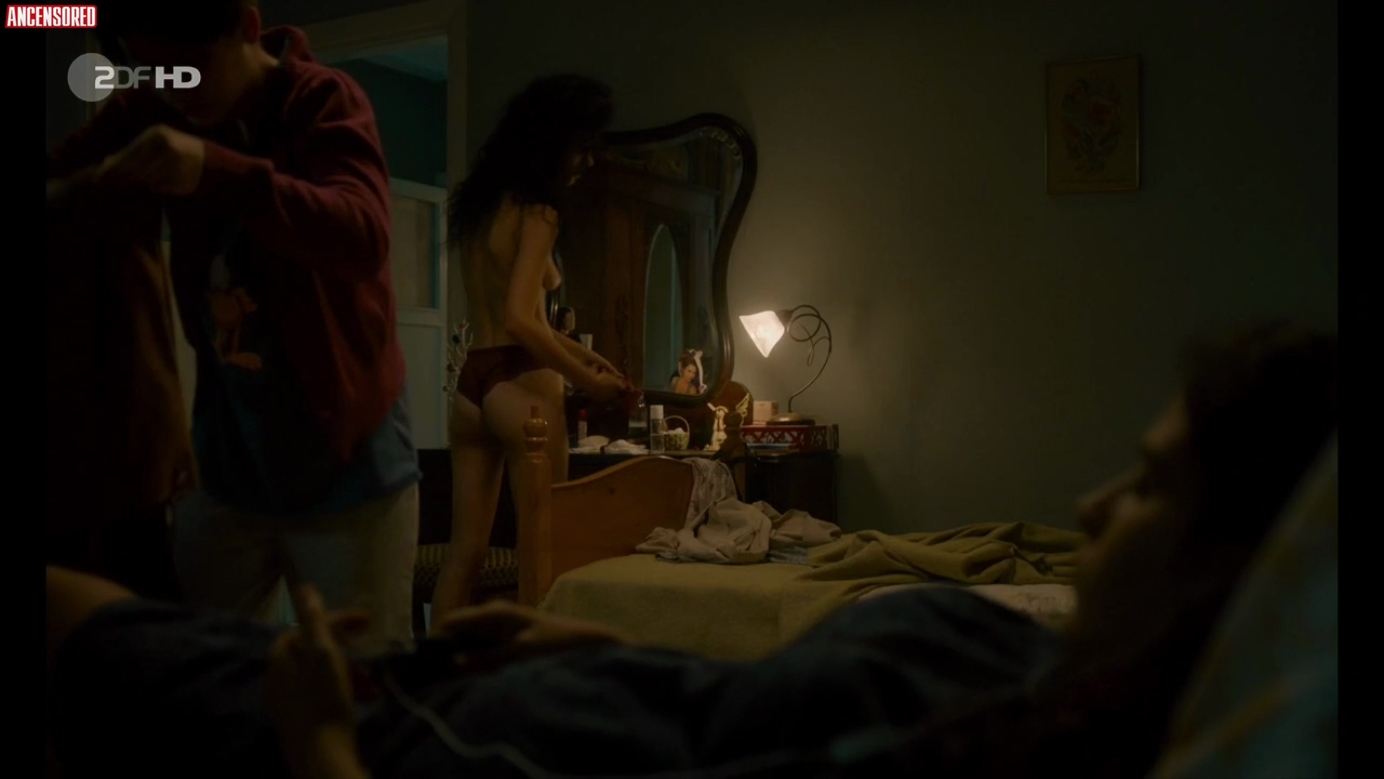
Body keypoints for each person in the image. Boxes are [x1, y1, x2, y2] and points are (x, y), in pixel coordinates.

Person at [44, 321, 1336, 778]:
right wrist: (587, 639)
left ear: (1230, 576)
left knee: (86, 619)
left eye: (1149, 488)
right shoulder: (1035, 676)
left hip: (416, 742)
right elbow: (766, 716)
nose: (1091, 505)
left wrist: (321, 741)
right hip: (523, 683)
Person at [46, 0, 422, 654]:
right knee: (195, 668)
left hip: (349, 463)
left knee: (362, 681)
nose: (176, 87)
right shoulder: (157, 104)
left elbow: (363, 235)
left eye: (191, 66)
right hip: (226, 463)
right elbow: (61, 181)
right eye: (156, 71)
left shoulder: (322, 100)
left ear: (248, 28)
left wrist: (215, 171)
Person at [434, 74, 635, 617]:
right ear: (554, 142)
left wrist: (589, 358)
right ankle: (534, 663)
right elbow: (523, 322)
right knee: (541, 554)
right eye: (581, 147)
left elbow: (525, 318)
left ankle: (437, 662)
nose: (587, 161)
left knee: (464, 554)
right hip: (521, 384)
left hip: (472, 384)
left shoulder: (479, 206)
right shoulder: (540, 212)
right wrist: (588, 382)